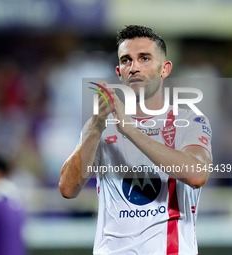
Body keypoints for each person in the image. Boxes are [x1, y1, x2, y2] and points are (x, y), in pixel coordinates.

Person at [59, 25, 212, 255]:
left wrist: (130, 131)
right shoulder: (98, 125)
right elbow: (68, 189)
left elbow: (197, 174)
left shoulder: (188, 121)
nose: (134, 67)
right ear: (119, 71)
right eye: (126, 60)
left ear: (165, 69)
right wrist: (96, 126)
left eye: (144, 58)